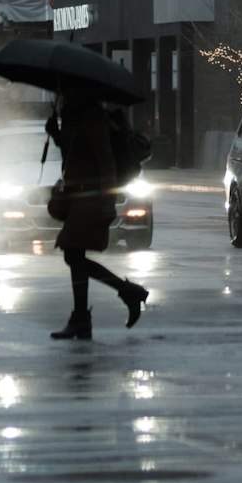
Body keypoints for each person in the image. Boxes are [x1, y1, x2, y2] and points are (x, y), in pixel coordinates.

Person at [45, 86, 148, 340]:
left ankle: (97, 308)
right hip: (78, 196)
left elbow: (105, 161)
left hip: (93, 197)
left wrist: (107, 201)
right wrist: (56, 134)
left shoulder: (90, 116)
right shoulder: (73, 114)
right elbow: (75, 153)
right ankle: (91, 313)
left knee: (72, 252)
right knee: (74, 255)